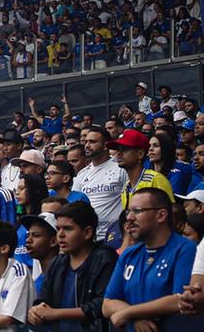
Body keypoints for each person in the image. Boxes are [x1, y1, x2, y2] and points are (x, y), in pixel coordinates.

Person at [103, 188, 196, 332]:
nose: (129, 218)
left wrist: (128, 313)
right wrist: (136, 317)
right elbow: (107, 304)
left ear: (161, 215)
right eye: (128, 211)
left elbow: (181, 300)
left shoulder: (185, 249)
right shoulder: (129, 254)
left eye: (138, 211)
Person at [27, 201, 117, 332]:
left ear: (87, 232)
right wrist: (35, 311)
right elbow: (43, 299)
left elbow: (103, 305)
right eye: (58, 229)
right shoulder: (57, 263)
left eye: (68, 229)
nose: (61, 235)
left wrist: (56, 313)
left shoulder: (104, 258)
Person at [73, 126, 128, 247]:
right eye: (86, 141)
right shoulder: (82, 174)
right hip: (89, 239)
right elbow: (75, 205)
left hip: (115, 238)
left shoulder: (120, 168)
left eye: (92, 142)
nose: (87, 145)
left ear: (105, 145)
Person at [109, 129, 176, 208]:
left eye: (124, 149)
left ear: (140, 154)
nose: (118, 154)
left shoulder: (155, 180)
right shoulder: (125, 188)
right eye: (118, 150)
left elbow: (171, 214)